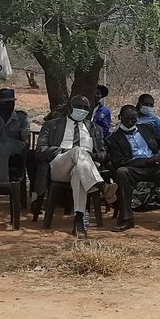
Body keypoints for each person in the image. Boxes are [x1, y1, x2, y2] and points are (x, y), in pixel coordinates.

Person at [35, 96, 106, 238]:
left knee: (79, 172)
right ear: (70, 108)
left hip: (84, 169)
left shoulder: (94, 128)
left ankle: (78, 221)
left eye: (86, 108)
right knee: (77, 151)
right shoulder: (52, 125)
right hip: (60, 165)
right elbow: (40, 150)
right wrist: (66, 151)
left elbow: (103, 154)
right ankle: (101, 185)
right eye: (79, 107)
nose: (82, 110)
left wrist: (91, 156)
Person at [107, 105, 160, 233]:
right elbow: (119, 162)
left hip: (155, 166)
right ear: (120, 117)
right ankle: (127, 219)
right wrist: (147, 161)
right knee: (121, 172)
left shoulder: (147, 129)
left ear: (137, 118)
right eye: (126, 119)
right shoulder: (113, 139)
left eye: (133, 119)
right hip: (134, 169)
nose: (130, 122)